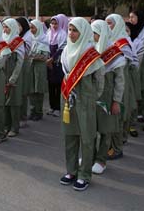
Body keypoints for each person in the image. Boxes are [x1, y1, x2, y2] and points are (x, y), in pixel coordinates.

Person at [59, 17, 104, 191]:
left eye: (75, 30)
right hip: (68, 99)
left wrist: (92, 98)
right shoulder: (65, 52)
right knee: (70, 135)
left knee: (86, 137)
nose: (71, 33)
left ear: (84, 31)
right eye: (69, 30)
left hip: (85, 100)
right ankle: (71, 171)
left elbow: (100, 80)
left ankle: (84, 174)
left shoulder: (91, 53)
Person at [91, 19, 124, 175]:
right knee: (90, 127)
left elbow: (120, 80)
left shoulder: (114, 53)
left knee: (104, 129)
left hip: (107, 96)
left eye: (95, 34)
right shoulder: (90, 50)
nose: (92, 36)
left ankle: (101, 160)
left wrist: (116, 100)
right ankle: (89, 157)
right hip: (91, 95)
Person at [105, 13, 137, 158]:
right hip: (111, 84)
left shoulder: (123, 43)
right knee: (111, 116)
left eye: (110, 23)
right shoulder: (109, 40)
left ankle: (117, 148)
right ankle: (113, 144)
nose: (107, 26)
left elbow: (124, 69)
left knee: (117, 115)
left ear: (117, 24)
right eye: (106, 23)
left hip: (120, 84)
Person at [2, 18, 25, 137]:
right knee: (5, 101)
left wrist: (13, 78)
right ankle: (6, 125)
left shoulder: (18, 41)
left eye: (7, 27)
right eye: (4, 27)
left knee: (14, 102)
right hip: (3, 73)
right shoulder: (3, 39)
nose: (5, 30)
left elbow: (19, 62)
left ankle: (14, 128)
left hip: (14, 75)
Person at [46, 14, 68, 117]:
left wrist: (52, 59)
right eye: (52, 23)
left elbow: (62, 48)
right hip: (49, 63)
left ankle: (58, 108)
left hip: (57, 63)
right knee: (50, 85)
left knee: (58, 85)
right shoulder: (48, 33)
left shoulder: (63, 34)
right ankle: (51, 107)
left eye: (56, 23)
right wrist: (47, 59)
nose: (54, 25)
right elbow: (46, 46)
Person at [29, 20, 50, 121]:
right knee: (31, 88)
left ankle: (39, 111)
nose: (31, 30)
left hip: (40, 67)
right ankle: (33, 110)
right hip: (31, 66)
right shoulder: (30, 39)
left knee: (39, 89)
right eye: (30, 28)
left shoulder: (44, 39)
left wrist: (33, 56)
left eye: (33, 28)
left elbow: (45, 56)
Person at [16, 17, 34, 127]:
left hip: (25, 66)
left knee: (23, 92)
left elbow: (27, 52)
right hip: (20, 65)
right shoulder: (21, 35)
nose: (17, 28)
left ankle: (22, 117)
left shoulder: (27, 36)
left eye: (19, 25)